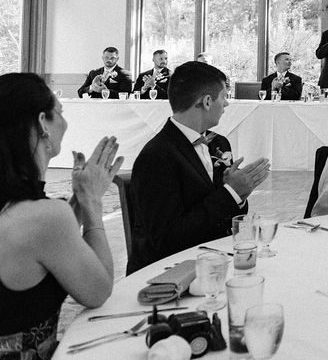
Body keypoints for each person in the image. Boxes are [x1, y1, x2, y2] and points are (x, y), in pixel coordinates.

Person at [0, 73, 122, 357]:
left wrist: (79, 199)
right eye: (61, 112)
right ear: (43, 122)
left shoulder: (26, 212)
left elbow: (42, 244)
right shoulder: (45, 218)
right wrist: (91, 202)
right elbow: (98, 291)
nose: (65, 123)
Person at [129, 61, 271, 274]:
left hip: (215, 258)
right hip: (169, 273)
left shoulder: (219, 144)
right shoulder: (157, 156)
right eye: (224, 96)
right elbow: (167, 239)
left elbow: (224, 214)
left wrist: (239, 197)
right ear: (206, 101)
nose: (226, 104)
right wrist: (231, 193)